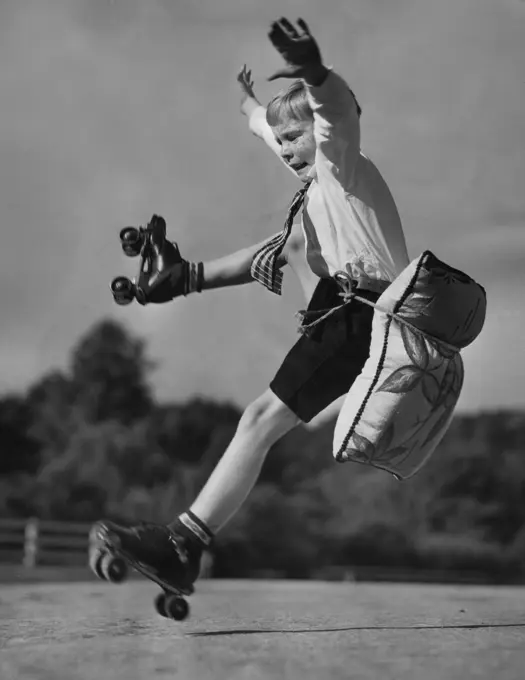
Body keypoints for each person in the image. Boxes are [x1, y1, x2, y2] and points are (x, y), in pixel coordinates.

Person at [99, 17, 410, 594]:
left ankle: (182, 544)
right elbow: (268, 130)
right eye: (284, 142)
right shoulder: (316, 192)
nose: (288, 151)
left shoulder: (341, 167)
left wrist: (315, 72)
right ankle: (184, 276)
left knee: (260, 419)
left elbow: (335, 114)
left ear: (318, 136)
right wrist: (249, 105)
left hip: (361, 315)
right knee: (291, 244)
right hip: (346, 319)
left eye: (297, 139)